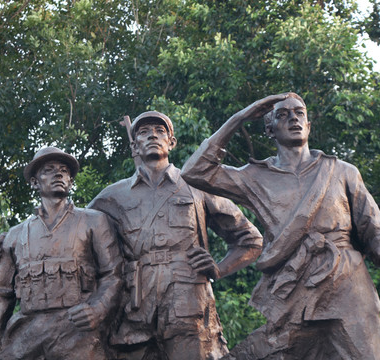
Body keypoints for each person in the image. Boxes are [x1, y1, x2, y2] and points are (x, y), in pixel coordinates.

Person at [181, 93, 380, 359]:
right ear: (269, 129)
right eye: (282, 114)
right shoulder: (254, 176)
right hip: (292, 287)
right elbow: (195, 171)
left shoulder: (342, 171)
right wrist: (240, 117)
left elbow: (378, 233)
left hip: (346, 284)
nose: (293, 118)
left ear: (309, 124)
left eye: (299, 113)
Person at [87, 111, 263, 360]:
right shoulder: (113, 196)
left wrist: (219, 268)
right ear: (134, 144)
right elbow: (79, 240)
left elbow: (251, 240)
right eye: (144, 132)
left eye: (160, 132)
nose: (153, 136)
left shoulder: (196, 186)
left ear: (172, 142)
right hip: (135, 307)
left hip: (187, 303)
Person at [0, 147, 123, 360]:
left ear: (71, 181)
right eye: (49, 170)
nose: (58, 174)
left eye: (64, 170)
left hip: (78, 333)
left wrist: (97, 309)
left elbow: (113, 274)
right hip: (26, 336)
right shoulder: (15, 236)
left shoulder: (94, 221)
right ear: (35, 182)